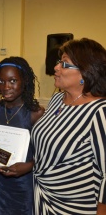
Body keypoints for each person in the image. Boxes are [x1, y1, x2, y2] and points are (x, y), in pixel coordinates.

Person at [31, 38, 106, 214]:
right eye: (59, 62)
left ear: (85, 71)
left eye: (64, 64)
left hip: (74, 207)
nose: (56, 67)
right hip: (41, 200)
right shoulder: (57, 100)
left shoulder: (100, 112)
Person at [0, 57, 45, 215]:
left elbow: (45, 156)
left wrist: (29, 166)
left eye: (12, 81)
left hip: (24, 188)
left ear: (24, 81)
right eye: (1, 81)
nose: (6, 87)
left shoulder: (36, 114)